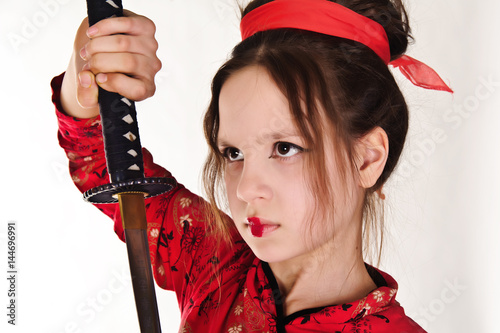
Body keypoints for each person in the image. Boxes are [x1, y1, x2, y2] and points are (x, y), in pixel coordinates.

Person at [53, 0, 451, 331]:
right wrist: (92, 67)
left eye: (284, 148)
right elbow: (102, 159)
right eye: (234, 154)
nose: (245, 189)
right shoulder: (213, 264)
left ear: (366, 158)